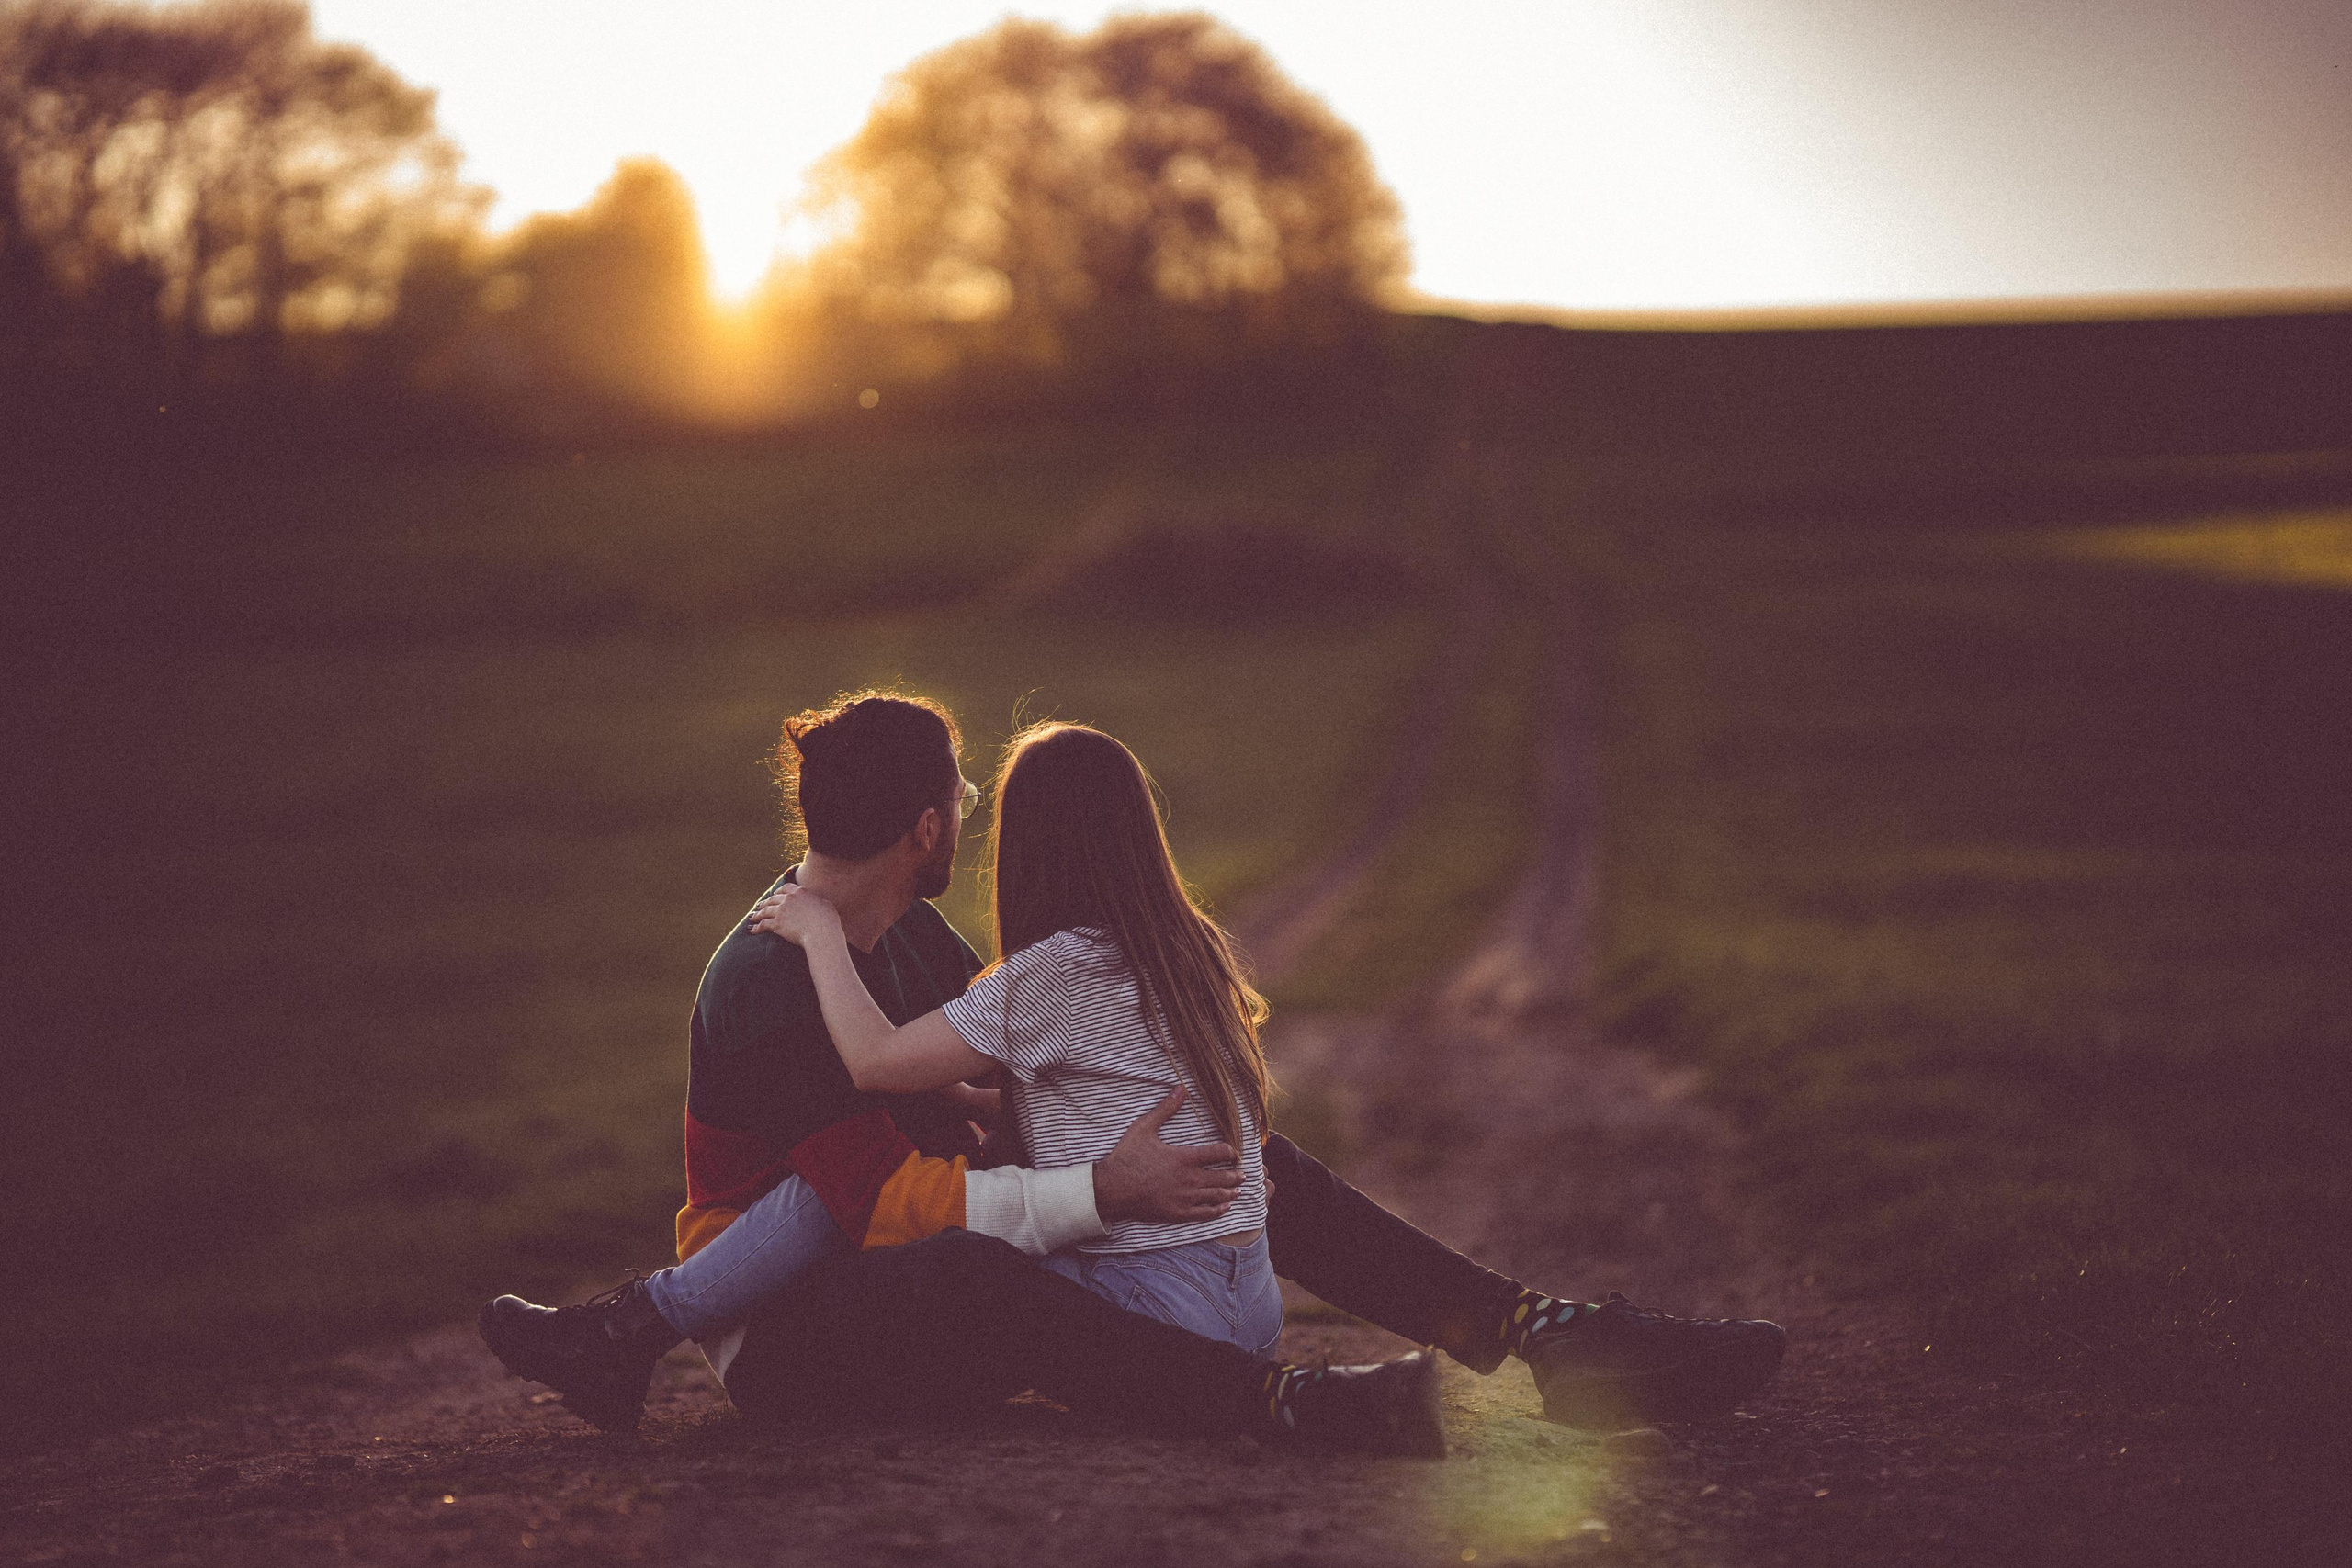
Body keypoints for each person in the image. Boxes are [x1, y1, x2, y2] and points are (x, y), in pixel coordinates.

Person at [479, 692, 1784, 1452]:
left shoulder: (910, 936)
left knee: (1252, 1166)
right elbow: (865, 1206)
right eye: (962, 811)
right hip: (794, 1334)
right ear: (927, 829)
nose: (970, 835)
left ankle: (1540, 1333)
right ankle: (1292, 1409)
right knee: (979, 1263)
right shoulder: (771, 980)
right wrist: (1100, 1189)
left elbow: (981, 1093)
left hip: (893, 1264)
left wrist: (1041, 1126)